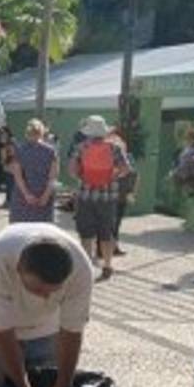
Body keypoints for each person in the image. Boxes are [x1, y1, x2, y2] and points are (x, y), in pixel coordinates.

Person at [0, 224, 93, 387]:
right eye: (38, 290)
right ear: (18, 269)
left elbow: (72, 332)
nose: (45, 297)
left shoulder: (81, 271)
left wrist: (63, 384)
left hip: (45, 327)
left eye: (54, 291)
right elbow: (2, 334)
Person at [68, 115, 130, 282]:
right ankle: (107, 266)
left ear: (88, 131)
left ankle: (87, 267)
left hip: (86, 196)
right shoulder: (115, 147)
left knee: (86, 234)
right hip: (108, 197)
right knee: (106, 233)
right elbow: (125, 169)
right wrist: (112, 176)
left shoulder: (81, 147)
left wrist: (83, 176)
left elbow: (72, 170)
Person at [8, 119, 58, 224]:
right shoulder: (51, 151)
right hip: (43, 195)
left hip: (22, 197)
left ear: (27, 133)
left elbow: (18, 176)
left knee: (21, 229)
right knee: (42, 230)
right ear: (42, 132)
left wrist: (27, 194)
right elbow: (53, 177)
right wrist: (45, 196)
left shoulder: (20, 150)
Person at [107, 127, 137, 256]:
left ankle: (112, 246)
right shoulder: (110, 154)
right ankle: (109, 247)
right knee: (111, 222)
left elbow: (133, 175)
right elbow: (132, 174)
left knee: (115, 222)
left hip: (119, 193)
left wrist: (131, 192)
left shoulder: (125, 156)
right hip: (112, 193)